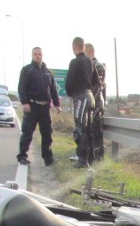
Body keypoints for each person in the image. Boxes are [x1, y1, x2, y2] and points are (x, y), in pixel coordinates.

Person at [16, 46, 61, 166]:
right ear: (32, 55)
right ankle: (22, 156)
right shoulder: (27, 70)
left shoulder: (48, 72)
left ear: (42, 55)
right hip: (32, 106)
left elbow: (53, 90)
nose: (37, 56)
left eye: (39, 54)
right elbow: (21, 88)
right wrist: (25, 103)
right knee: (27, 132)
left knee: (47, 133)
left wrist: (57, 105)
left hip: (45, 108)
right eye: (35, 54)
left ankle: (48, 158)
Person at [64, 36, 100, 168]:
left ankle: (83, 160)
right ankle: (90, 159)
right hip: (90, 98)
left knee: (80, 129)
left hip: (81, 97)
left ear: (74, 47)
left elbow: (68, 82)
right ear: (84, 47)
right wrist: (92, 94)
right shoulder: (90, 62)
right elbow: (97, 82)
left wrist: (71, 94)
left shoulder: (75, 62)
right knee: (88, 129)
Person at [84, 43, 106, 162]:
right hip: (90, 102)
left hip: (96, 103)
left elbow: (98, 86)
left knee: (95, 130)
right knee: (89, 130)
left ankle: (98, 155)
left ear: (89, 51)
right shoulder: (89, 65)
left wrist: (90, 100)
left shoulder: (98, 66)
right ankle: (91, 156)